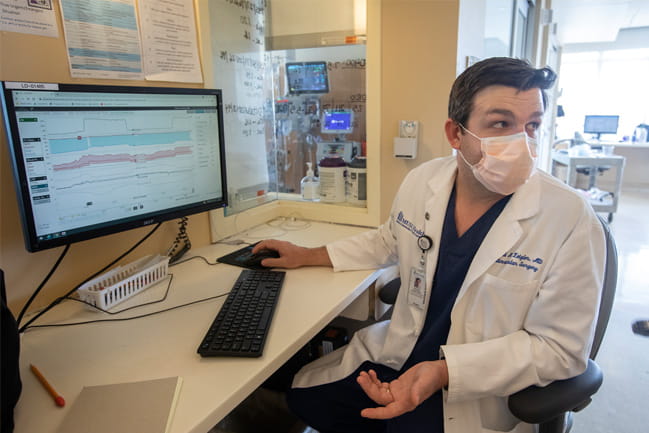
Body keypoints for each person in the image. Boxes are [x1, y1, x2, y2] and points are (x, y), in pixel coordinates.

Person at [253, 57, 606, 433]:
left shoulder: (569, 217)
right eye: (501, 124)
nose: (522, 142)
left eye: (532, 126)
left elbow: (561, 350)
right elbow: (389, 239)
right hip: (398, 355)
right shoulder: (425, 181)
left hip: (475, 391)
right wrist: (308, 255)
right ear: (456, 134)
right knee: (302, 396)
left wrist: (443, 372)